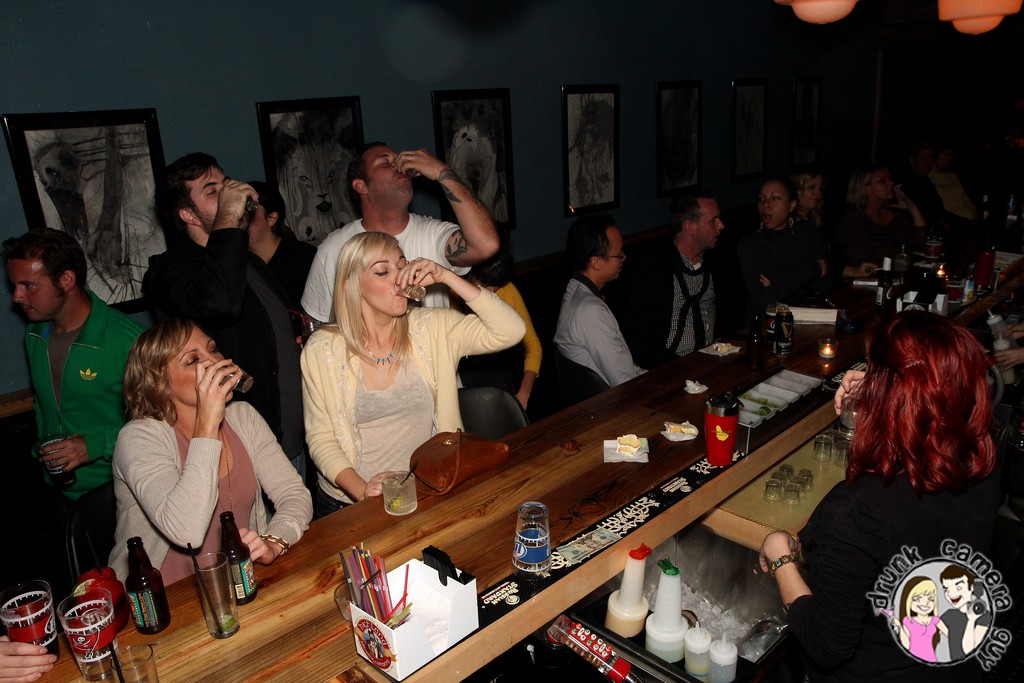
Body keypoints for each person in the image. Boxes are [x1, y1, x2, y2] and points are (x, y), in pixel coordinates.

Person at [759, 311, 1000, 681]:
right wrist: (886, 394)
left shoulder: (860, 514)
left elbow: (826, 644)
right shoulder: (982, 463)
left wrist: (780, 556)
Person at [301, 232, 524, 517]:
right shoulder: (323, 349)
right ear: (351, 285)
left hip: (429, 488)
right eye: (382, 271)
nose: (399, 278)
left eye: (402, 265)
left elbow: (511, 331)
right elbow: (321, 438)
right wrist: (364, 491)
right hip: (349, 503)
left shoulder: (431, 328)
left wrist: (447, 276)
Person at [108, 319, 312, 583]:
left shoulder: (243, 417)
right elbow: (187, 532)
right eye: (193, 360)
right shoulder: (138, 438)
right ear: (160, 383)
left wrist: (274, 541)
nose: (215, 362)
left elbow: (294, 494)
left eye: (213, 349)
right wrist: (206, 425)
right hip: (163, 596)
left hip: (239, 581)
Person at [145, 153, 306, 481]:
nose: (230, 193)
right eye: (212, 191)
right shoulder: (172, 269)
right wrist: (229, 216)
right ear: (188, 214)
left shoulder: (248, 260)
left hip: (289, 435)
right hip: (240, 448)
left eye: (226, 183)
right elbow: (218, 304)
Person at [4, 229, 144, 504]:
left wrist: (94, 446)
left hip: (120, 491)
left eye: (28, 285)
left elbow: (166, 420)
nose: (17, 296)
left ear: (66, 280)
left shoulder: (129, 341)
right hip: (59, 490)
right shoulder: (35, 334)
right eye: (14, 286)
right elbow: (44, 402)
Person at [300, 142, 500, 322]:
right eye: (385, 163)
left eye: (399, 161)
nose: (399, 166)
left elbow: (486, 245)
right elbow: (315, 323)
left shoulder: (432, 234)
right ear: (361, 185)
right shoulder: (334, 249)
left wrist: (442, 172)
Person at [623, 191, 723, 368]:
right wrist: (679, 365)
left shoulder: (718, 260)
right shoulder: (653, 270)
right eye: (713, 221)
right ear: (690, 227)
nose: (721, 225)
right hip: (670, 367)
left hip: (715, 359)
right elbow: (639, 338)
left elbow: (731, 311)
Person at [554, 213, 645, 387]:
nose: (624, 258)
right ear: (595, 262)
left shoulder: (574, 292)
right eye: (619, 254)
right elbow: (624, 380)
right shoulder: (589, 310)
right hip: (614, 400)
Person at [459, 244, 542, 410]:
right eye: (484, 283)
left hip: (499, 379)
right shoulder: (455, 293)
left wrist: (524, 394)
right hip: (462, 380)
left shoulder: (508, 290)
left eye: (496, 285)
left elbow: (533, 346)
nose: (491, 290)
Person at [736, 176, 827, 320]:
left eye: (775, 198)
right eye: (761, 199)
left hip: (807, 316)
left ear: (791, 205)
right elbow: (766, 300)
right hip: (766, 323)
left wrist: (777, 284)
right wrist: (811, 270)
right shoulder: (750, 245)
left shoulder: (807, 231)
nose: (766, 204)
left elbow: (824, 283)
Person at [832, 164, 928, 279]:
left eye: (889, 179)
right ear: (866, 188)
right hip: (865, 282)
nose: (890, 183)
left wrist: (912, 207)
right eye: (882, 181)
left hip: (895, 280)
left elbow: (920, 242)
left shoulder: (893, 217)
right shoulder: (852, 221)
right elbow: (858, 264)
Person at [245, 180, 317, 314]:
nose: (242, 217)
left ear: (271, 218)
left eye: (249, 208)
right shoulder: (238, 264)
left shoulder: (303, 256)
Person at [939, 565, 990, 659]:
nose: (951, 594)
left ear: (971, 587)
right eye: (946, 589)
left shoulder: (984, 616)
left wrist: (971, 620)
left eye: (958, 588)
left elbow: (969, 651)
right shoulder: (949, 614)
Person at [894, 576, 947, 663]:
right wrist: (899, 626)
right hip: (912, 661)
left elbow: (951, 635)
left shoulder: (935, 620)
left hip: (932, 660)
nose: (925, 603)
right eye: (917, 599)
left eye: (931, 599)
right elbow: (906, 645)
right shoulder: (908, 621)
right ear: (908, 600)